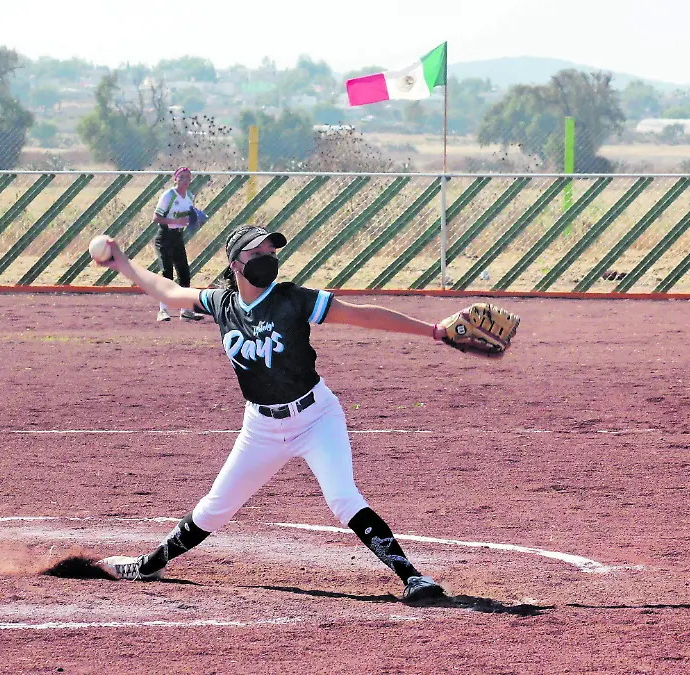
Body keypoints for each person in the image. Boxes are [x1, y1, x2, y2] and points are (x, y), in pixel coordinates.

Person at [91, 225, 455, 602]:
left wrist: (433, 331)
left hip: (316, 418)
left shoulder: (292, 299)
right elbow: (168, 292)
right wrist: (123, 264)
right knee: (215, 509)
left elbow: (363, 316)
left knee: (343, 498)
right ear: (235, 264)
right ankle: (149, 565)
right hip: (261, 427)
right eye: (256, 253)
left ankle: (413, 577)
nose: (267, 259)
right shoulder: (222, 304)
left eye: (271, 252)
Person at [152, 167, 206, 322]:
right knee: (167, 273)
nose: (185, 180)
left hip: (177, 237)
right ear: (175, 179)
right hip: (164, 237)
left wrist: (196, 220)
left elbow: (189, 217)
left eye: (188, 177)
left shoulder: (189, 196)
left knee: (184, 273)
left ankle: (186, 310)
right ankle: (163, 310)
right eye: (181, 177)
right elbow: (156, 218)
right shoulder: (169, 195)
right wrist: (175, 221)